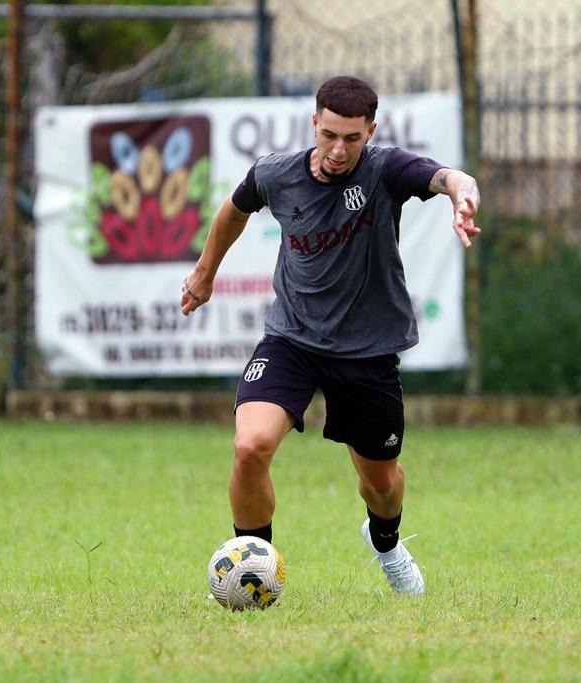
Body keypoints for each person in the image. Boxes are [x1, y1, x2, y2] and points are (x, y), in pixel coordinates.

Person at [180, 75, 480, 595]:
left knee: (382, 483)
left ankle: (385, 542)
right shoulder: (276, 174)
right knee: (250, 447)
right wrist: (205, 273)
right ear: (314, 123)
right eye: (330, 135)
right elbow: (234, 208)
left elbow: (448, 177)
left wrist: (463, 196)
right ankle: (254, 574)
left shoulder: (385, 169)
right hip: (292, 340)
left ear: (371, 132)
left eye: (352, 139)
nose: (339, 150)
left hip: (366, 352)